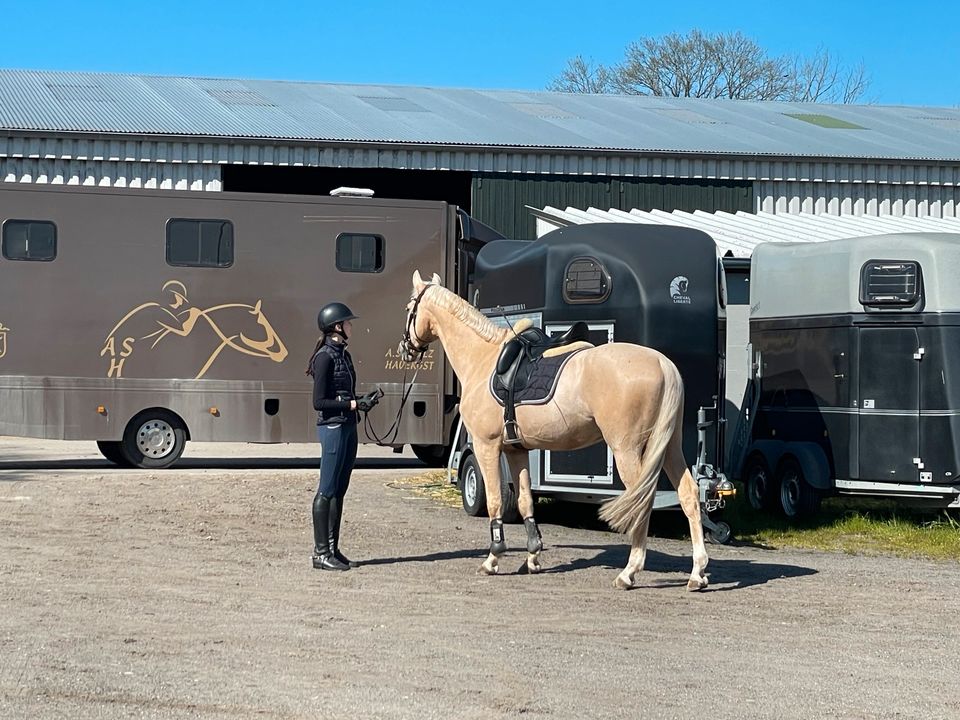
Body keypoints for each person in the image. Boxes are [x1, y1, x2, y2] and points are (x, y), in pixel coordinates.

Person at [306, 301, 379, 571]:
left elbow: (344, 395)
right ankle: (320, 553)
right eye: (348, 323)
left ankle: (333, 549)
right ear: (337, 327)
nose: (351, 326)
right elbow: (319, 402)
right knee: (326, 489)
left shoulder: (343, 355)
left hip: (348, 424)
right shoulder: (324, 356)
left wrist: (360, 401)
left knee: (340, 490)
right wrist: (351, 404)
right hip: (333, 427)